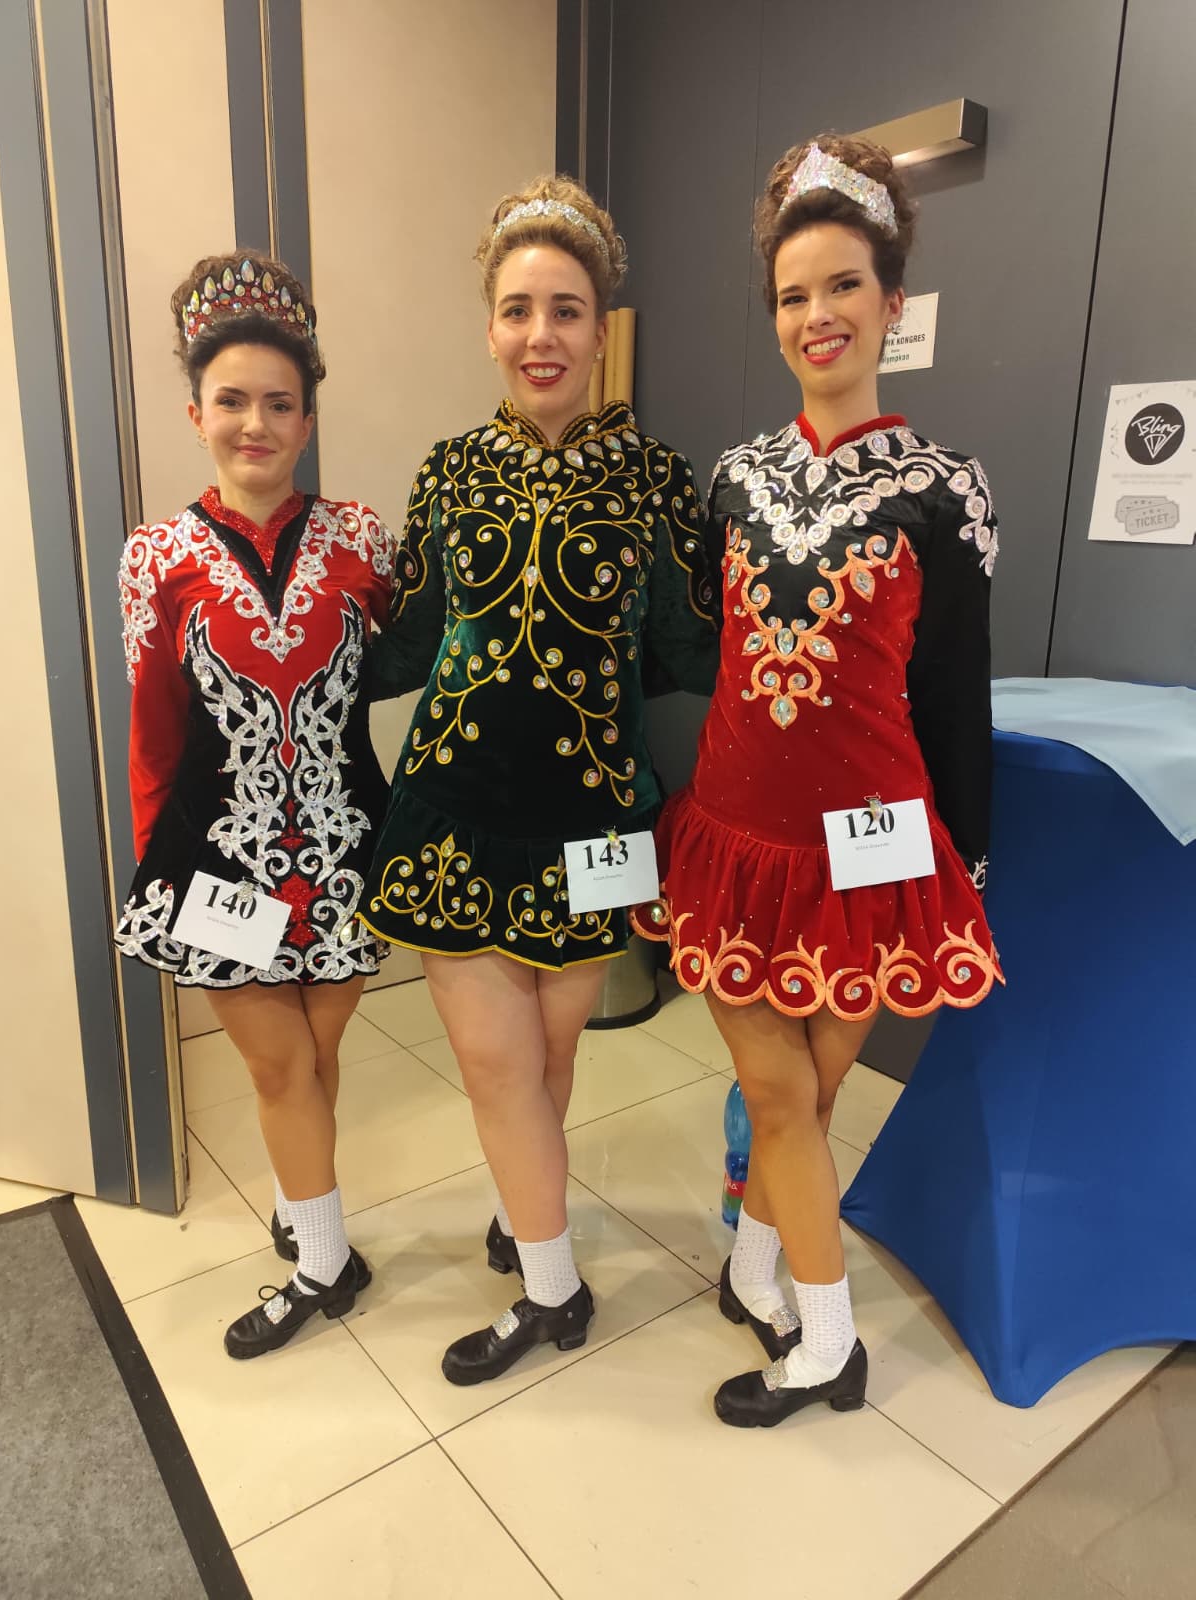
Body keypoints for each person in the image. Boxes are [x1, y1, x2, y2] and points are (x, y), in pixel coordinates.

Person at [634, 136, 1003, 1426]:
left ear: (893, 302)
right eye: (793, 294)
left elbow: (954, 696)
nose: (817, 315)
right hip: (738, 833)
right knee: (783, 1091)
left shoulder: (948, 492)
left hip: (876, 847)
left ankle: (759, 1269)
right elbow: (709, 652)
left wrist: (967, 859)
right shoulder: (735, 478)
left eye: (843, 285)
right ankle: (827, 1341)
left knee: (810, 1090)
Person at [362, 177, 716, 1384]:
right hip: (452, 811)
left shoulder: (657, 478)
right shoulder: (450, 470)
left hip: (593, 822)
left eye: (565, 310)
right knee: (497, 1064)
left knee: (551, 1064)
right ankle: (555, 1292)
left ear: (600, 330)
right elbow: (407, 639)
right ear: (490, 327)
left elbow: (690, 651)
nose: (540, 335)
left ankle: (528, 1212)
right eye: (518, 310)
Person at [115, 252, 396, 1357]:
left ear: (308, 418)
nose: (256, 424)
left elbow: (425, 660)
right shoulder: (156, 558)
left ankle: (302, 1205)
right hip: (219, 856)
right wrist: (158, 860)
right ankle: (324, 1263)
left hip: (346, 844)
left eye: (280, 403)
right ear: (196, 413)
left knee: (318, 1058)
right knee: (278, 1066)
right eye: (232, 401)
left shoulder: (363, 541)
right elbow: (153, 731)